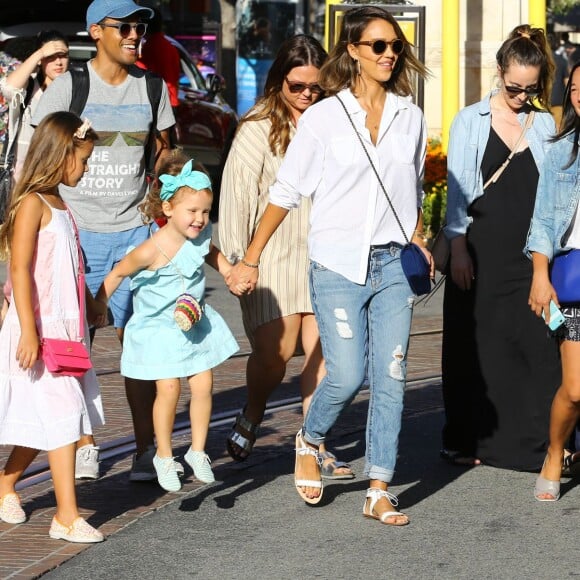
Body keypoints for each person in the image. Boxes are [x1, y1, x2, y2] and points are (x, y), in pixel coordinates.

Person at [227, 6, 429, 525]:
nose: (389, 54)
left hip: (391, 266)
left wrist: (419, 237)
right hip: (337, 265)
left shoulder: (410, 115)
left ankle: (379, 487)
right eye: (378, 46)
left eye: (395, 46)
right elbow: (285, 192)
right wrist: (249, 258)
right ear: (354, 51)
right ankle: (309, 437)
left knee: (392, 374)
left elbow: (412, 189)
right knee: (347, 374)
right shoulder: (324, 117)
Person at [32, 0, 176, 482]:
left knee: (142, 346)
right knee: (75, 347)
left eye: (141, 27)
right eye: (125, 27)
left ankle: (144, 450)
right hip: (78, 233)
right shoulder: (69, 86)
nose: (136, 35)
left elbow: (166, 151)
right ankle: (85, 442)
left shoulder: (151, 86)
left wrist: (164, 199)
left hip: (134, 232)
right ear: (96, 31)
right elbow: (37, 156)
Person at [219, 34, 352, 479]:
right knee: (274, 356)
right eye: (297, 87)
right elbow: (237, 198)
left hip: (321, 252)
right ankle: (253, 412)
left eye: (316, 88)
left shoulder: (332, 123)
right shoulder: (257, 128)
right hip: (270, 255)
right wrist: (238, 260)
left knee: (324, 355)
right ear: (279, 81)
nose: (307, 96)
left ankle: (314, 444)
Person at [442, 24, 560, 470]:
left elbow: (550, 196)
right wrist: (457, 249)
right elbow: (457, 194)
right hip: (479, 254)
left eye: (529, 89)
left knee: (536, 346)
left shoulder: (545, 122)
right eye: (513, 87)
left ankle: (540, 445)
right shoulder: (469, 120)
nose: (521, 96)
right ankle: (468, 440)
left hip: (530, 254)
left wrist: (543, 260)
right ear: (498, 73)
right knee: (477, 347)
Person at [95, 155, 239, 492]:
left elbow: (211, 252)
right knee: (169, 387)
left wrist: (229, 271)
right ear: (169, 208)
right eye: (193, 211)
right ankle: (162, 453)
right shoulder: (150, 249)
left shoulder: (199, 237)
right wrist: (100, 301)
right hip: (158, 328)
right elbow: (117, 272)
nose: (200, 219)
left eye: (205, 212)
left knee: (204, 382)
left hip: (192, 323)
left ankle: (198, 451)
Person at [0, 112, 105, 542]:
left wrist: (93, 302)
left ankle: (5, 483)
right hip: (38, 330)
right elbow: (20, 270)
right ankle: (65, 515)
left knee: (48, 419)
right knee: (63, 416)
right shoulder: (32, 205)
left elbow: (72, 267)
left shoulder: (62, 206)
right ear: (61, 156)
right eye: (82, 160)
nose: (86, 168)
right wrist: (28, 330)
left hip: (65, 332)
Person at [527, 61, 580, 501]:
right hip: (574, 280)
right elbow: (543, 223)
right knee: (576, 388)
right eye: (576, 87)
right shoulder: (561, 152)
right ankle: (556, 450)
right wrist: (540, 276)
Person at [0, 30, 69, 180]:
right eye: (50, 57)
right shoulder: (29, 86)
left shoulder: (74, 88)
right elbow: (8, 88)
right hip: (21, 177)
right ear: (41, 59)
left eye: (63, 55)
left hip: (57, 176)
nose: (58, 62)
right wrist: (40, 53)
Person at [137, 9, 180, 110]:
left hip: (158, 104)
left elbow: (140, 74)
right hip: (171, 102)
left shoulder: (150, 47)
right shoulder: (170, 46)